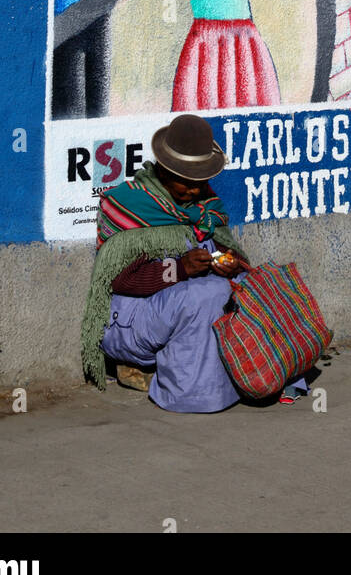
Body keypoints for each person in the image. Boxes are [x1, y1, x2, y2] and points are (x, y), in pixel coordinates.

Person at [81, 113, 306, 411]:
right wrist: (181, 268)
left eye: (201, 182)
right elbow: (118, 279)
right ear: (163, 170)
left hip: (178, 307)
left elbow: (230, 254)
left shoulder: (203, 205)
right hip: (129, 322)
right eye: (186, 182)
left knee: (251, 285)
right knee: (206, 294)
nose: (195, 191)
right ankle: (194, 392)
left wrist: (230, 263)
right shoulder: (127, 204)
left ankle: (266, 374)